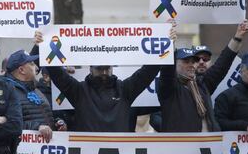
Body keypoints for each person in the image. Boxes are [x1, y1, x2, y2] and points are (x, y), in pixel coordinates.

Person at [32, 29, 171, 132]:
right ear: (91, 69)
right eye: (100, 69)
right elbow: (57, 73)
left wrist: (167, 42)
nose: (104, 73)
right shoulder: (79, 91)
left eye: (107, 68)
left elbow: (147, 73)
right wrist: (41, 46)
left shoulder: (125, 89)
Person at [158, 20, 248, 132]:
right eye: (186, 61)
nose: (192, 65)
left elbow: (222, 64)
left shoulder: (202, 85)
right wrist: (168, 42)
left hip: (209, 145)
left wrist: (238, 37)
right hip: (183, 146)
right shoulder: (169, 89)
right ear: (175, 63)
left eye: (193, 61)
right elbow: (167, 71)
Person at [5, 50, 66, 142]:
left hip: (43, 148)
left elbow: (43, 116)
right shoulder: (8, 91)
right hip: (25, 151)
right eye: (32, 64)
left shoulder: (36, 90)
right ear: (21, 70)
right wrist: (36, 127)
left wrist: (57, 123)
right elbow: (6, 123)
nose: (37, 68)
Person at [214, 52, 248, 139]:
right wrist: (244, 126)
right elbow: (218, 123)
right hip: (240, 150)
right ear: (241, 71)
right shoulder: (227, 96)